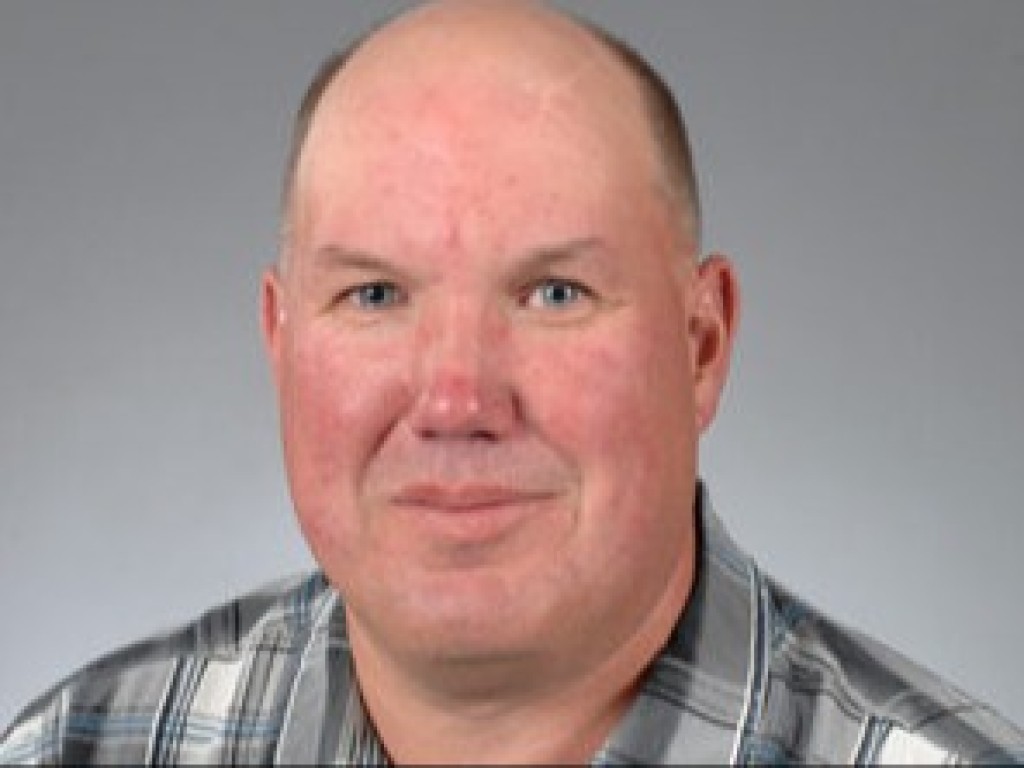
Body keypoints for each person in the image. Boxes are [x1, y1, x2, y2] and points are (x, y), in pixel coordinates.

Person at [1, 1, 1021, 764]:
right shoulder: (74, 748)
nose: (456, 404)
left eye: (553, 294)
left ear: (701, 346)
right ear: (281, 344)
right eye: (374, 295)